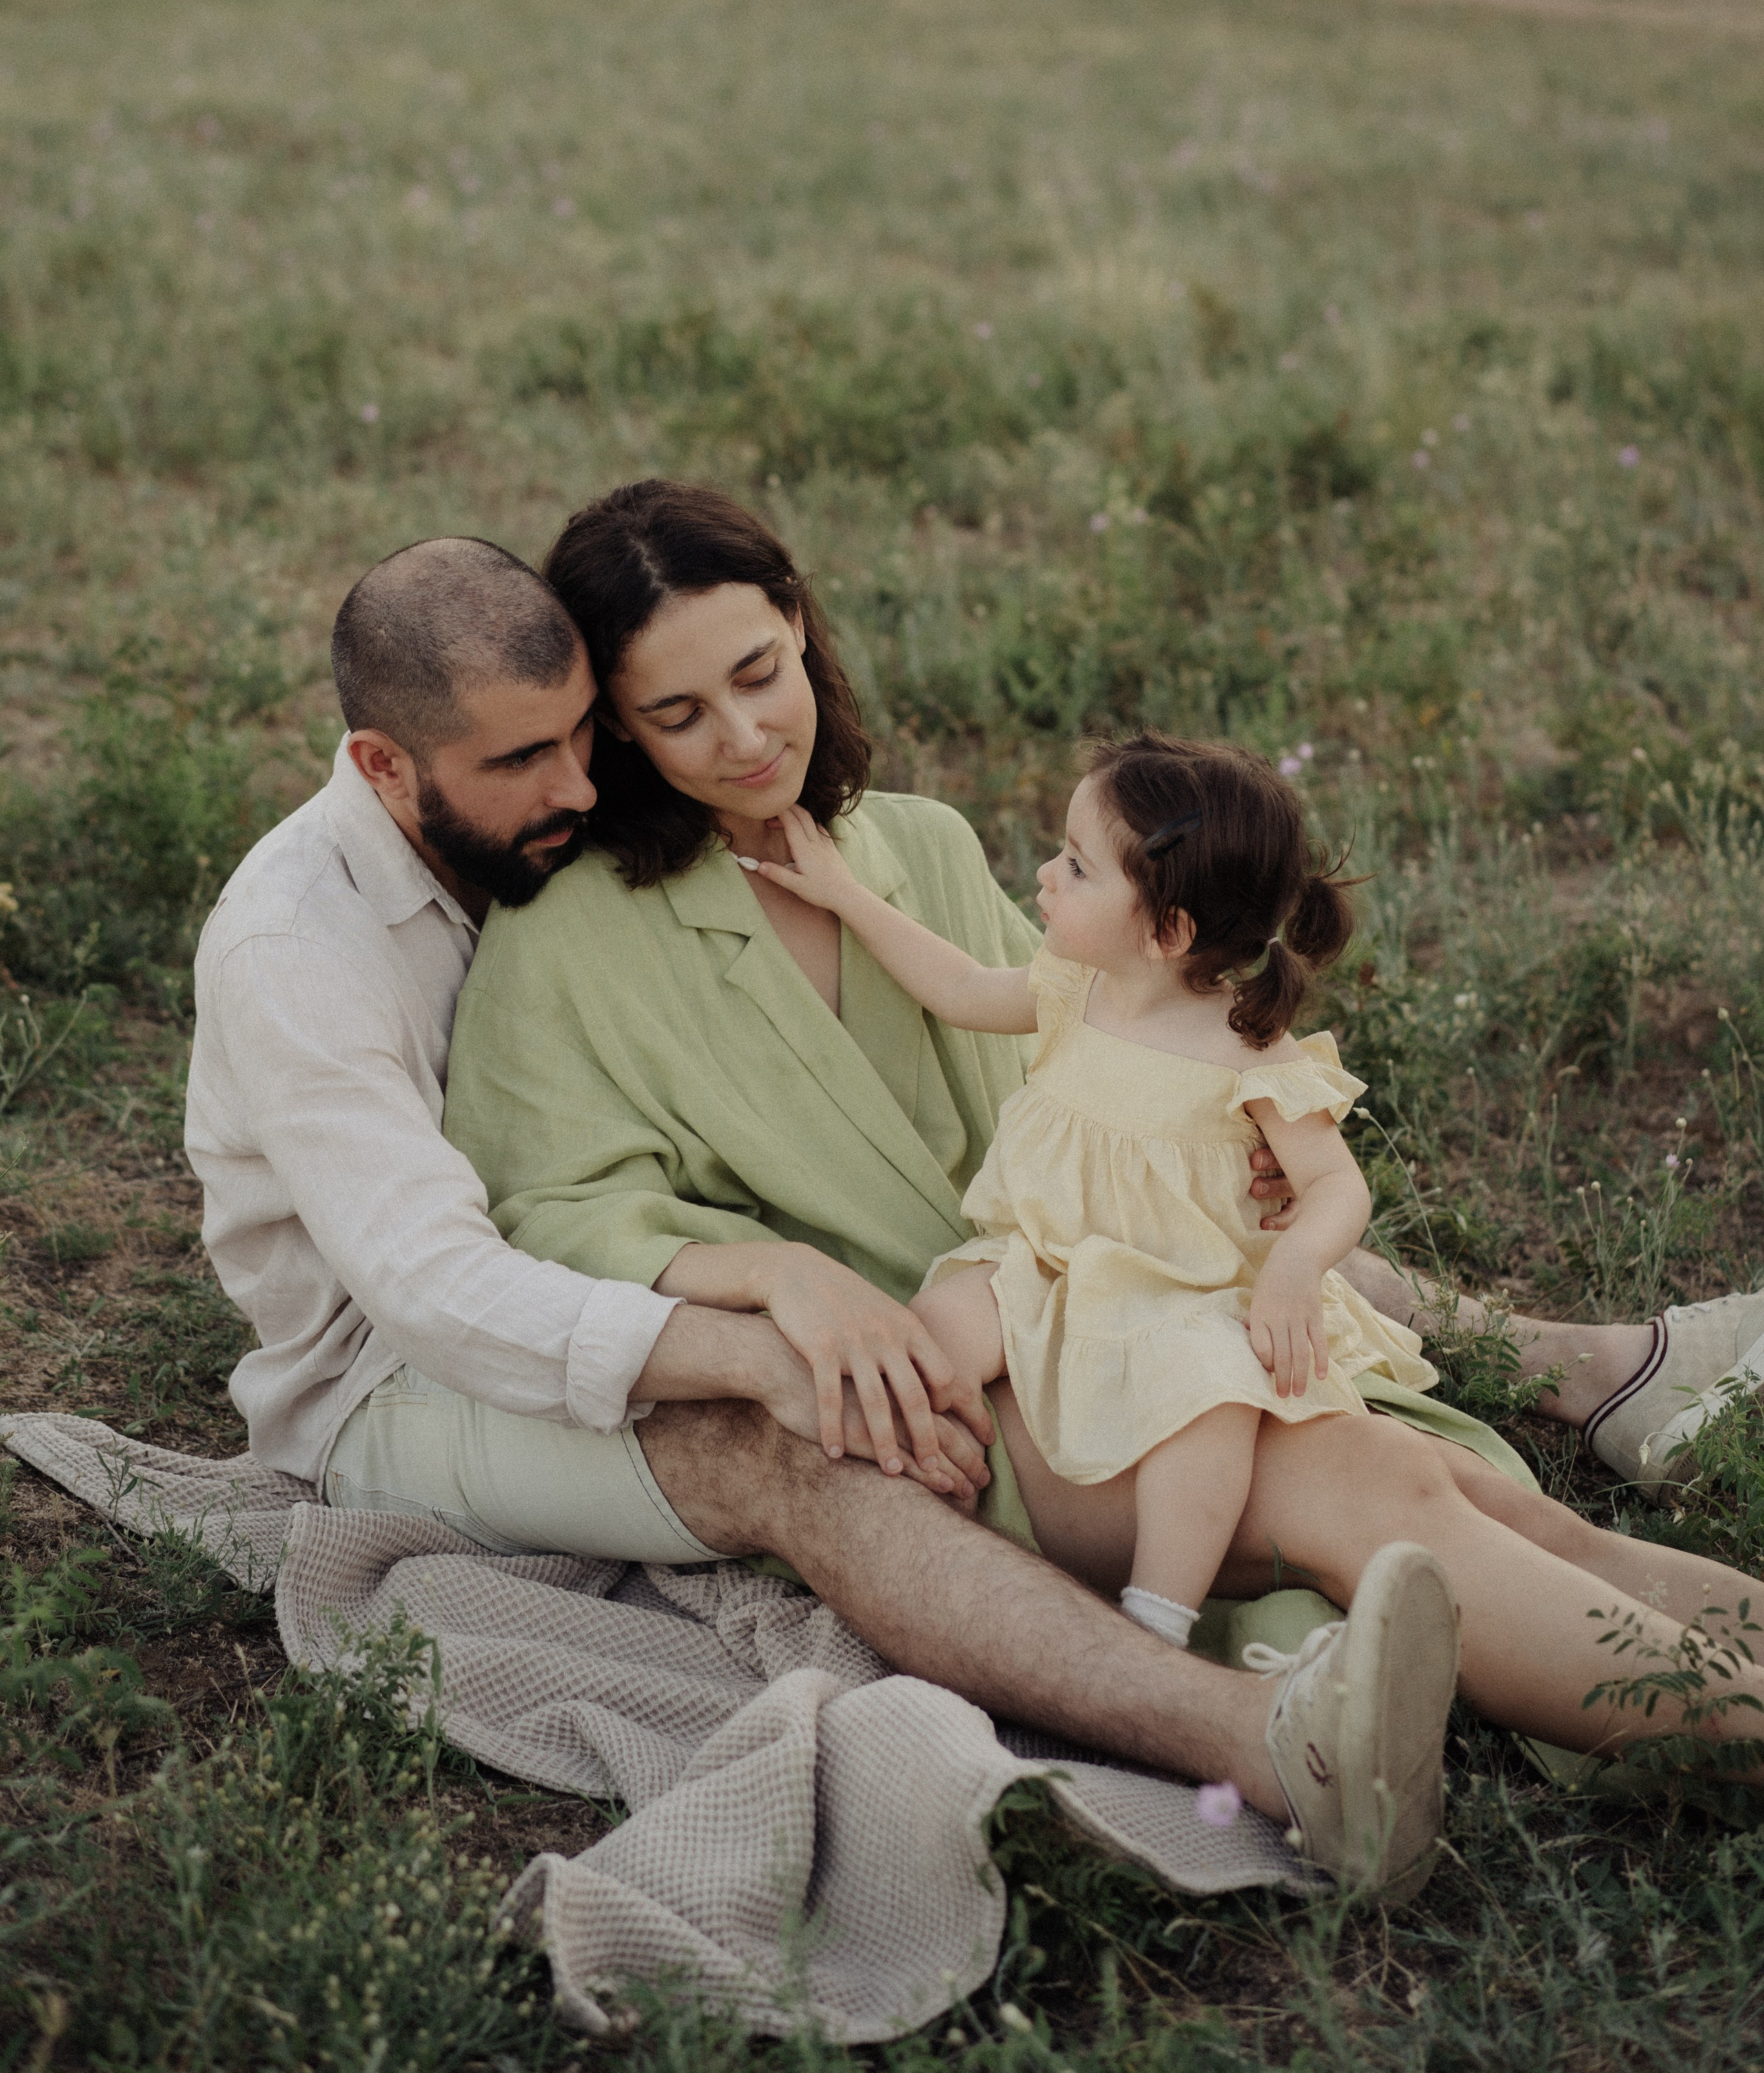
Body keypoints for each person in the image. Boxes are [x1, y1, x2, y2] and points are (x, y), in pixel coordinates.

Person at [442, 478, 1764, 1808]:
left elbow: (1084, 1084)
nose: (741, 736)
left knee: (1454, 1485)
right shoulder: (569, 935)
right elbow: (549, 1212)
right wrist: (777, 1279)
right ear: (613, 726)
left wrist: (1217, 1159)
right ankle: (1731, 1736)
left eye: (760, 673)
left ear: (800, 626)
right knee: (1368, 1484)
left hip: (1101, 1324)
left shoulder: (916, 843)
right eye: (677, 714)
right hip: (934, 1396)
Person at [183, 533, 1462, 1901]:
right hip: (394, 1379)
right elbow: (437, 1291)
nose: (577, 786)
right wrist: (752, 1333)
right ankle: (1263, 1749)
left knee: (1153, 1227)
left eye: (583, 738)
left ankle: (1561, 1357)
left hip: (579, 1257)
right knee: (797, 1423)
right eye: (519, 764)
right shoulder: (294, 953)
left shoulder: (574, 840)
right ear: (383, 766)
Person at [743, 735, 1436, 1657]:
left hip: (1177, 1298)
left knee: (1213, 1408)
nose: (1044, 874)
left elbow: (1334, 1186)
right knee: (936, 1333)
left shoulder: (1250, 1056)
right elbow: (953, 984)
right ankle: (926, 1513)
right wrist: (843, 893)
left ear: (1168, 931)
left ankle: (1158, 1613)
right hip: (1036, 1261)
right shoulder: (1076, 988)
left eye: (1075, 864)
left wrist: (1300, 1263)